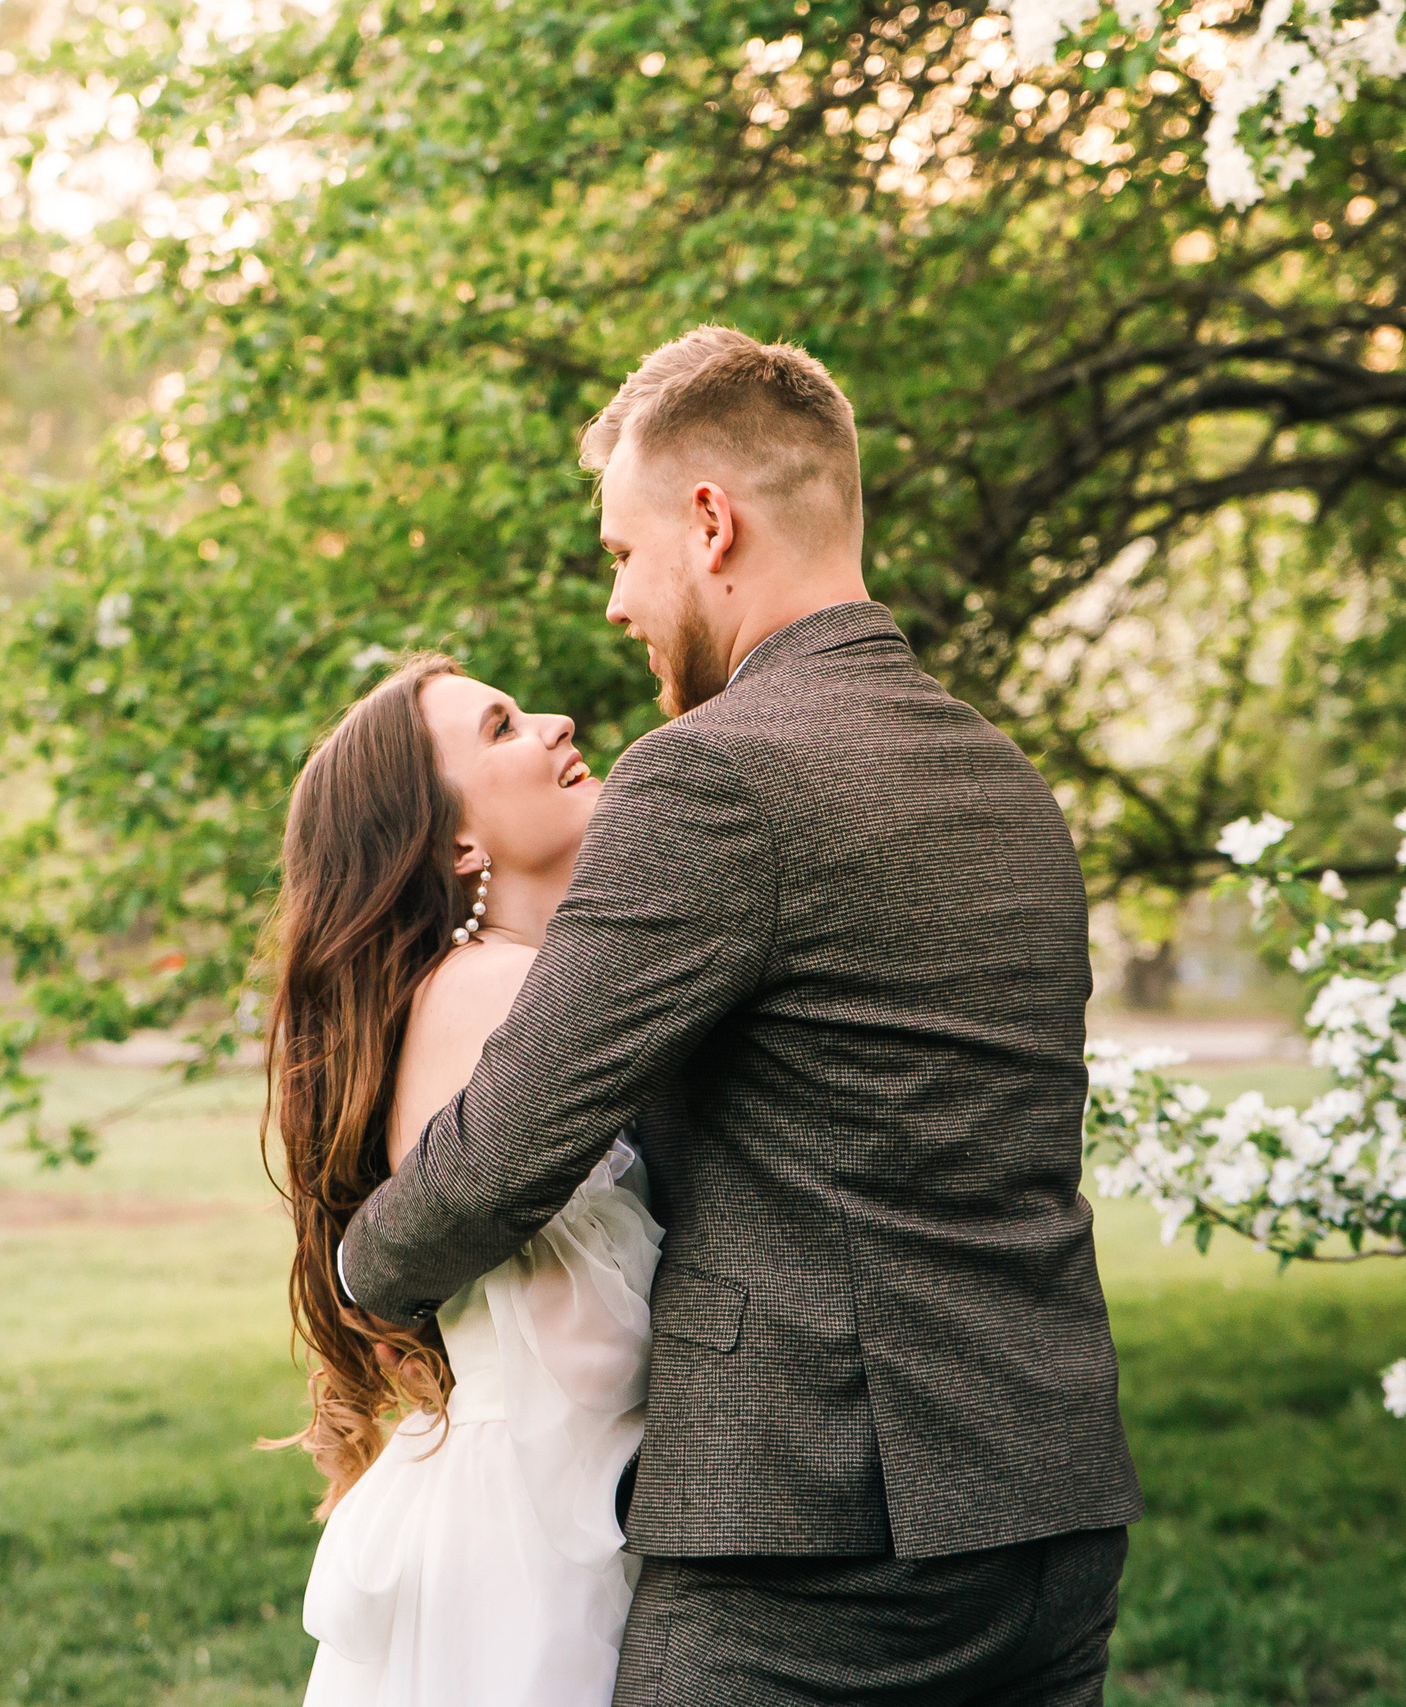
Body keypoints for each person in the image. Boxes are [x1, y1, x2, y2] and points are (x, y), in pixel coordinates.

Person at [334, 327, 1143, 1705]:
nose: (616, 607)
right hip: (1053, 1509)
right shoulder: (1008, 782)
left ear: (711, 524)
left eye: (621, 553)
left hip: (815, 1536)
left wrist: (361, 1273)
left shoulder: (710, 777)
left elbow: (507, 1147)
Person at [270, 654, 657, 1706]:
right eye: (500, 728)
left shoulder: (481, 988)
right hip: (537, 1543)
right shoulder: (503, 991)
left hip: (540, 1499)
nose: (557, 720)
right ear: (455, 841)